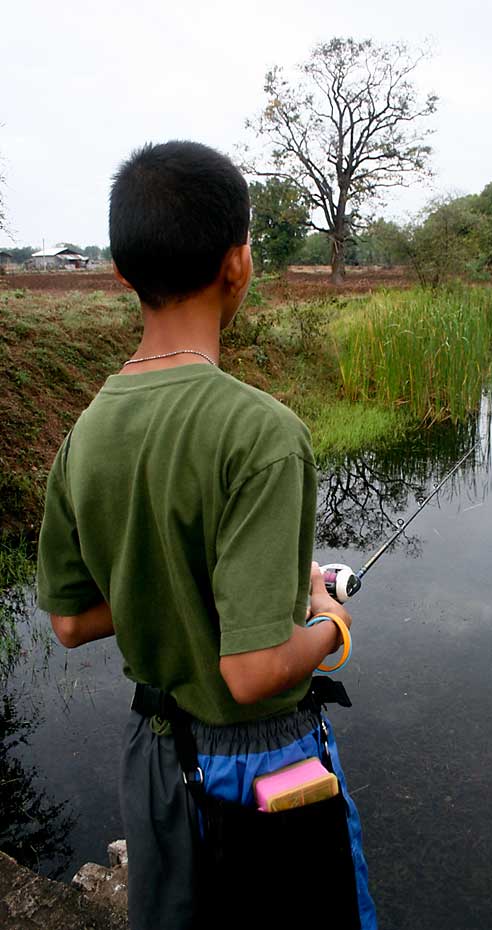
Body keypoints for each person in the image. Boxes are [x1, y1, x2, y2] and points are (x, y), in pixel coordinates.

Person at [36, 140, 377, 930]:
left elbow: (70, 621)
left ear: (122, 272)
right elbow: (255, 672)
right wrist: (329, 623)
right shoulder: (262, 433)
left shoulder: (83, 434)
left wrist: (180, 583)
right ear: (239, 264)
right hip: (264, 764)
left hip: (153, 757)